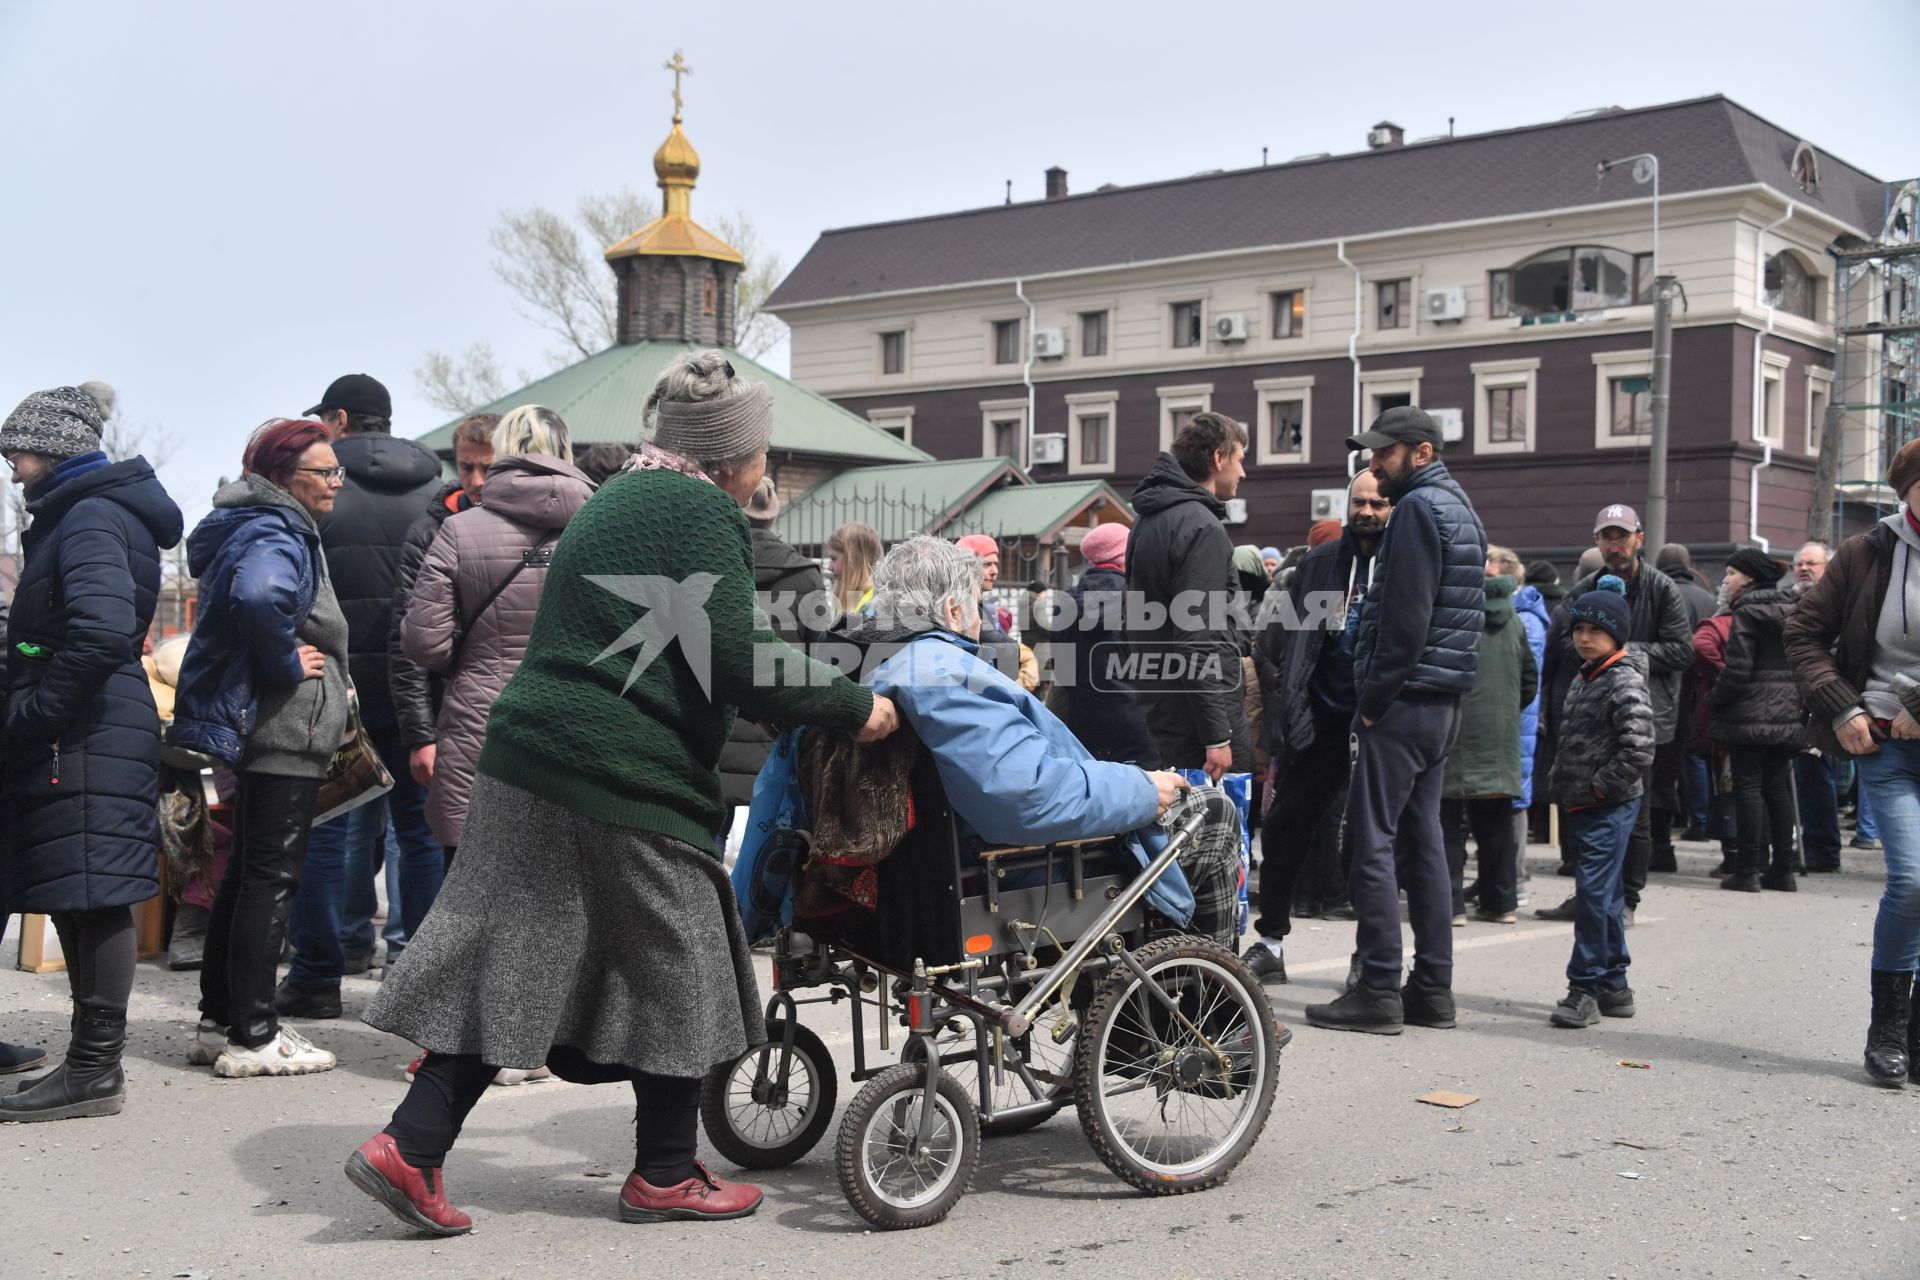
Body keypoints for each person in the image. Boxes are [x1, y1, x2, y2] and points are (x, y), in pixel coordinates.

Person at [348, 350, 900, 1233]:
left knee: (513, 954)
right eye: (763, 450)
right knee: (682, 958)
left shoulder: (619, 498)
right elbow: (737, 656)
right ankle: (667, 1174)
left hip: (526, 758)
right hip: (617, 773)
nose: (767, 467)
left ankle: (409, 1148)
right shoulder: (697, 510)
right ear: (732, 457)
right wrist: (855, 707)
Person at [846, 536, 1243, 949]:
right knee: (1213, 809)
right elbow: (1027, 795)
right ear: (953, 609)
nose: (980, 622)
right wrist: (1141, 788)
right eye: (976, 608)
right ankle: (1210, 1000)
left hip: (951, 859)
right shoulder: (944, 674)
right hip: (1012, 862)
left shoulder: (880, 663)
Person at [0, 386, 183, 1121]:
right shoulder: (85, 513)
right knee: (81, 890)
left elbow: (102, 628)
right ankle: (88, 1065)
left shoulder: (89, 516)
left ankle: (95, 1070)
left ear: (55, 449)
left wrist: (39, 708)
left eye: (19, 454)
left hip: (87, 727)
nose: (15, 472)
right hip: (90, 724)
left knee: (96, 892)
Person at [170, 418, 351, 1079]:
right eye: (325, 473)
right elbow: (257, 595)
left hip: (267, 727)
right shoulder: (278, 529)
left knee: (247, 874)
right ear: (284, 479)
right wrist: (281, 659)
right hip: (284, 726)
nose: (337, 483)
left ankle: (220, 1021)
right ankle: (254, 1034)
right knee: (268, 879)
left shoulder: (256, 523)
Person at [1305, 406, 1485, 1035]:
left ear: (1423, 453)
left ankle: (1378, 986)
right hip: (1441, 700)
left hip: (1404, 699)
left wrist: (1373, 702)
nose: (1372, 466)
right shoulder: (1460, 508)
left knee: (1372, 844)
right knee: (1424, 842)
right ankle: (1432, 988)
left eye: (1384, 454)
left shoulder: (1416, 509)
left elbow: (1406, 619)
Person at [281, 374, 444, 1018]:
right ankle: (419, 981)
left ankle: (319, 975)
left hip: (329, 680)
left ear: (340, 418)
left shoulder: (316, 487)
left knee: (324, 824)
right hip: (414, 688)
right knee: (419, 829)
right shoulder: (435, 492)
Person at [1784, 438, 1920, 1086]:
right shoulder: (1868, 552)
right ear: (1907, 489)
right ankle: (1888, 1030)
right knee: (1913, 881)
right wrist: (1842, 706)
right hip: (1886, 746)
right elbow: (1804, 633)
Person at [401, 405, 594, 859]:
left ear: (503, 451)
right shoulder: (601, 528)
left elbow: (423, 641)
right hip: (574, 723)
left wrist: (475, 659)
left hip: (480, 722)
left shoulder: (457, 530)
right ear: (564, 452)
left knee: (471, 892)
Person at [1243, 470, 1390, 980]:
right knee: (1284, 828)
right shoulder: (1320, 563)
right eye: (1360, 502)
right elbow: (1276, 642)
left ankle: (1368, 957)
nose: (1367, 511)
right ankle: (1270, 943)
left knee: (1369, 842)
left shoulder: (1402, 559)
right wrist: (1291, 698)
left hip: (1379, 724)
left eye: (1378, 502)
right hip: (1319, 720)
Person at [1536, 507, 1691, 924]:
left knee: (1634, 814)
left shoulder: (1660, 588)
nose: (1613, 545)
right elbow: (1564, 642)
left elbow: (1681, 650)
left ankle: (1627, 900)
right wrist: (1590, 646)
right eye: (1606, 537)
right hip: (1589, 718)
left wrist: (1621, 653)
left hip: (1645, 717)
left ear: (1639, 538)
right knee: (1582, 811)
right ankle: (1587, 894)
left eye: (1621, 536)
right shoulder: (1584, 587)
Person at [1547, 576, 1655, 1028]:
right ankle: (1614, 983)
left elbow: (1639, 748)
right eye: (1578, 629)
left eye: (1595, 630)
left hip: (1606, 804)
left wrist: (1599, 787)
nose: (1584, 637)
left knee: (1592, 895)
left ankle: (1584, 986)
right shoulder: (1586, 675)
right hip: (1582, 802)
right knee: (1605, 895)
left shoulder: (1622, 679)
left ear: (1616, 634)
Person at [1127, 411, 1248, 779]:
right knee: (1219, 830)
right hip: (1202, 717)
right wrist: (1217, 734)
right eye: (1240, 460)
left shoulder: (1148, 520)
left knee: (1183, 829)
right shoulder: (1200, 525)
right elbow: (1197, 636)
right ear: (1218, 458)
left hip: (1166, 705)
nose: (1242, 473)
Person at [390, 413, 496, 807]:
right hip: (448, 716)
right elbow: (406, 642)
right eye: (467, 466)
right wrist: (421, 735)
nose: (477, 480)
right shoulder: (429, 532)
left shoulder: (534, 525)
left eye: (488, 467)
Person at [718, 476, 829, 822]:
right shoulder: (804, 576)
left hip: (718, 740)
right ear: (773, 516)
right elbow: (822, 660)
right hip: (778, 737)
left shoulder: (714, 565)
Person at [1441, 560, 1537, 925]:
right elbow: (1530, 678)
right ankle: (1501, 904)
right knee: (1495, 826)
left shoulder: (1454, 614)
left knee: (1447, 825)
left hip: (1455, 730)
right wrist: (1507, 714)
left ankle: (1451, 907)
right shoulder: (1514, 619)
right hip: (1501, 736)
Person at [1707, 548, 1804, 892]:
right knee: (1777, 789)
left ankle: (1747, 869)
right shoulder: (1794, 608)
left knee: (1747, 788)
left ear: (1748, 577)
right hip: (1787, 713)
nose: (1726, 580)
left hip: (1748, 714)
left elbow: (1737, 669)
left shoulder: (1747, 611)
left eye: (1731, 573)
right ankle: (1783, 869)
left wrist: (1714, 700)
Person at [1051, 522, 1155, 765]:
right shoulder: (1140, 598)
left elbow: (1062, 669)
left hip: (1082, 717)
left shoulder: (1066, 602)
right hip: (1136, 720)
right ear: (1124, 556)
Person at [1788, 542, 1844, 873]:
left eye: (1812, 563)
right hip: (1791, 702)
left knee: (1816, 776)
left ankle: (1822, 848)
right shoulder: (1792, 601)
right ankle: (1814, 845)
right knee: (1807, 778)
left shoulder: (1835, 601)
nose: (1804, 568)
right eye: (1800, 563)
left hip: (1824, 700)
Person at [1501, 546, 1550, 903]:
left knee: (1515, 794)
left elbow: (1523, 676)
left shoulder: (1527, 618)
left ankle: (1514, 880)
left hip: (1517, 719)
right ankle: (1501, 875)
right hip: (1507, 717)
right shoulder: (1519, 613)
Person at [827, 521, 881, 617]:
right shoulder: (853, 598)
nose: (829, 567)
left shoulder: (873, 605)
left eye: (833, 559)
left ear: (853, 560)